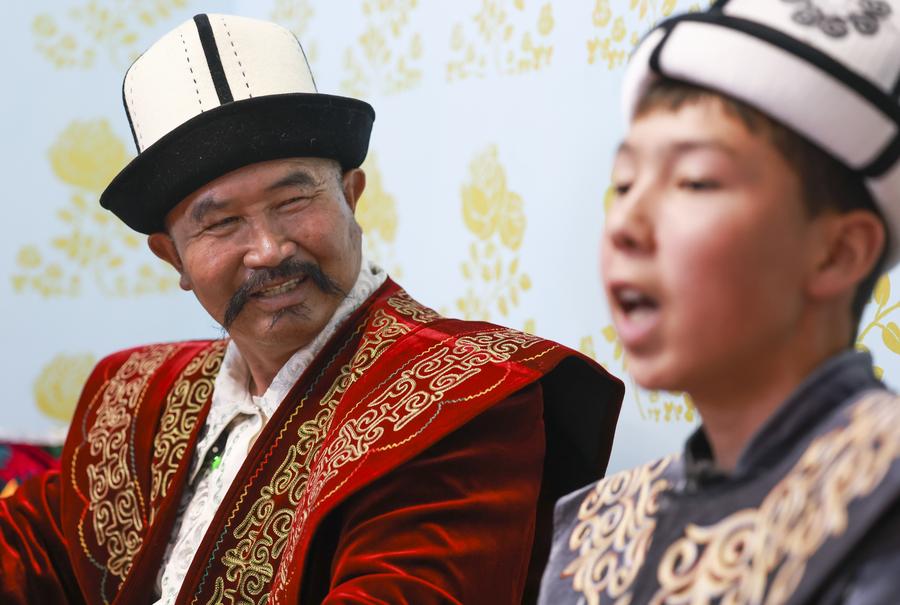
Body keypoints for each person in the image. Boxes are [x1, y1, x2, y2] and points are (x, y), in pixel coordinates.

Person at [0, 13, 623, 605]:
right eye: (221, 223)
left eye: (293, 201)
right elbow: (34, 550)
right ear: (174, 258)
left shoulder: (461, 396)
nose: (269, 250)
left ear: (352, 195)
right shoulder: (137, 394)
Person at [539, 1, 900, 603]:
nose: (624, 223)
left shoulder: (881, 498)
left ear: (837, 253)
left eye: (695, 181)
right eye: (623, 183)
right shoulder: (596, 532)